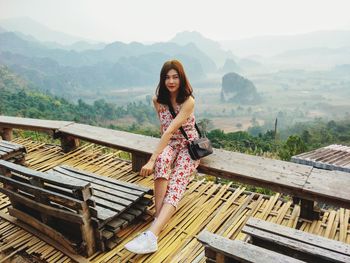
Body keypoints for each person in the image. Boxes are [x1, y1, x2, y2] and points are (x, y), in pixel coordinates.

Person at [124, 60, 201, 254]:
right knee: (162, 161)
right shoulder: (157, 100)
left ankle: (152, 235)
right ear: (162, 79)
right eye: (167, 77)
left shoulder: (188, 101)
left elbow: (170, 131)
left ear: (182, 78)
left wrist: (150, 159)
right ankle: (158, 222)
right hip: (170, 144)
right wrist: (157, 157)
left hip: (188, 146)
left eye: (175, 77)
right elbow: (163, 128)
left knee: (177, 180)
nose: (171, 81)